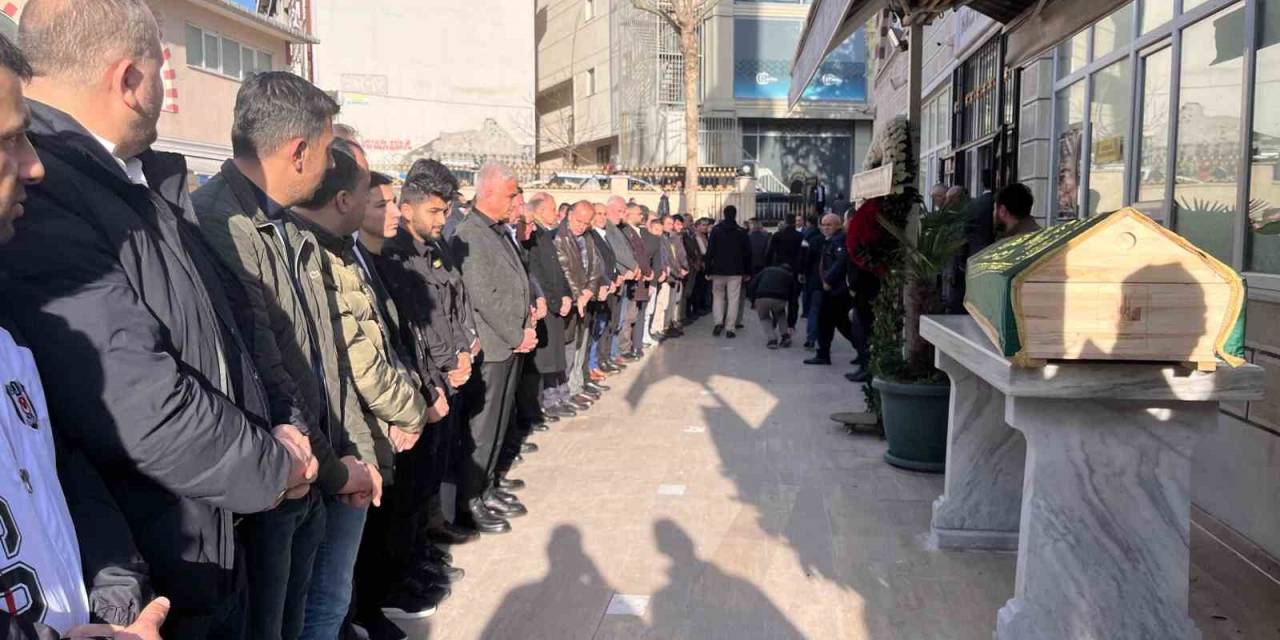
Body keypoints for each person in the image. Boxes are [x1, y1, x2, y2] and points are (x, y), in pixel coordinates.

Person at [7, 2, 317, 635]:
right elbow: (143, 406)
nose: (27, 161)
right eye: (159, 67)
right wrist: (275, 466)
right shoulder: (46, 203)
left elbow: (232, 332)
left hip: (216, 533)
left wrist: (283, 430)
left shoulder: (142, 185)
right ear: (129, 79)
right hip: (163, 573)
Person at [0, 33, 171, 640]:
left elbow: (56, 467)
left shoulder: (10, 336)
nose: (34, 166)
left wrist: (114, 591)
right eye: (8, 142)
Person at [193, 73, 370, 640]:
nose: (326, 169)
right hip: (279, 479)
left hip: (309, 470)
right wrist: (335, 465)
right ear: (298, 153)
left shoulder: (285, 226)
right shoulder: (219, 222)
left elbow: (320, 354)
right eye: (323, 152)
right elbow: (270, 365)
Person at [449, 162, 538, 536]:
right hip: (495, 344)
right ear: (487, 193)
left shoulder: (496, 231)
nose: (516, 199)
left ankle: (488, 486)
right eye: (511, 193)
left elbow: (515, 281)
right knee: (482, 428)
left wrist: (528, 320)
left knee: (500, 422)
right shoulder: (469, 233)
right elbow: (483, 296)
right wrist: (516, 334)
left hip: (511, 343)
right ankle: (470, 500)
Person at [804, 214, 856, 367]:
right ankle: (824, 354)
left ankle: (864, 351)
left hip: (836, 291)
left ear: (838, 226)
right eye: (824, 224)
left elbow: (840, 263)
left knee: (840, 324)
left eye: (829, 225)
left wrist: (828, 280)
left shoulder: (838, 241)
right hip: (831, 291)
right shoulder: (830, 241)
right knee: (829, 324)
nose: (826, 227)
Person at [704, 205, 752, 338]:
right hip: (735, 271)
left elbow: (710, 251)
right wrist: (747, 272)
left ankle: (718, 322)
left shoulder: (716, 231)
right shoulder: (741, 232)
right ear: (735, 215)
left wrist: (708, 269)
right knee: (733, 299)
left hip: (718, 270)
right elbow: (747, 253)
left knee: (718, 297)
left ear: (724, 214)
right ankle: (730, 327)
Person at [617, 203, 653, 359]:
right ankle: (623, 349)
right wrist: (643, 270)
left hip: (639, 278)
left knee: (632, 315)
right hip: (632, 277)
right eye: (638, 213)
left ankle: (627, 346)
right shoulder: (625, 231)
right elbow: (634, 254)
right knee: (626, 316)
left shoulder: (634, 231)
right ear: (630, 214)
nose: (641, 216)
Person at [765, 213, 804, 342]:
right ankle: (791, 325)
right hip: (794, 271)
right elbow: (803, 255)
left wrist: (768, 268)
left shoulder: (777, 236)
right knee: (793, 300)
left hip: (778, 271)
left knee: (778, 298)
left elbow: (769, 253)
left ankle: (776, 322)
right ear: (795, 223)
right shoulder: (800, 236)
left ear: (785, 222)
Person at [747, 263, 798, 349]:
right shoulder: (789, 277)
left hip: (761, 297)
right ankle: (785, 336)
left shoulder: (766, 270)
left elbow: (752, 285)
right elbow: (793, 303)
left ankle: (772, 340)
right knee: (780, 313)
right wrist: (791, 324)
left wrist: (753, 302)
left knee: (764, 317)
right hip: (779, 299)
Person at [800, 215, 824, 348]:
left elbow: (806, 259)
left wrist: (802, 273)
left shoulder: (812, 240)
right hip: (823, 282)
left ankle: (812, 338)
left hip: (815, 280)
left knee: (814, 310)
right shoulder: (838, 240)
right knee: (818, 310)